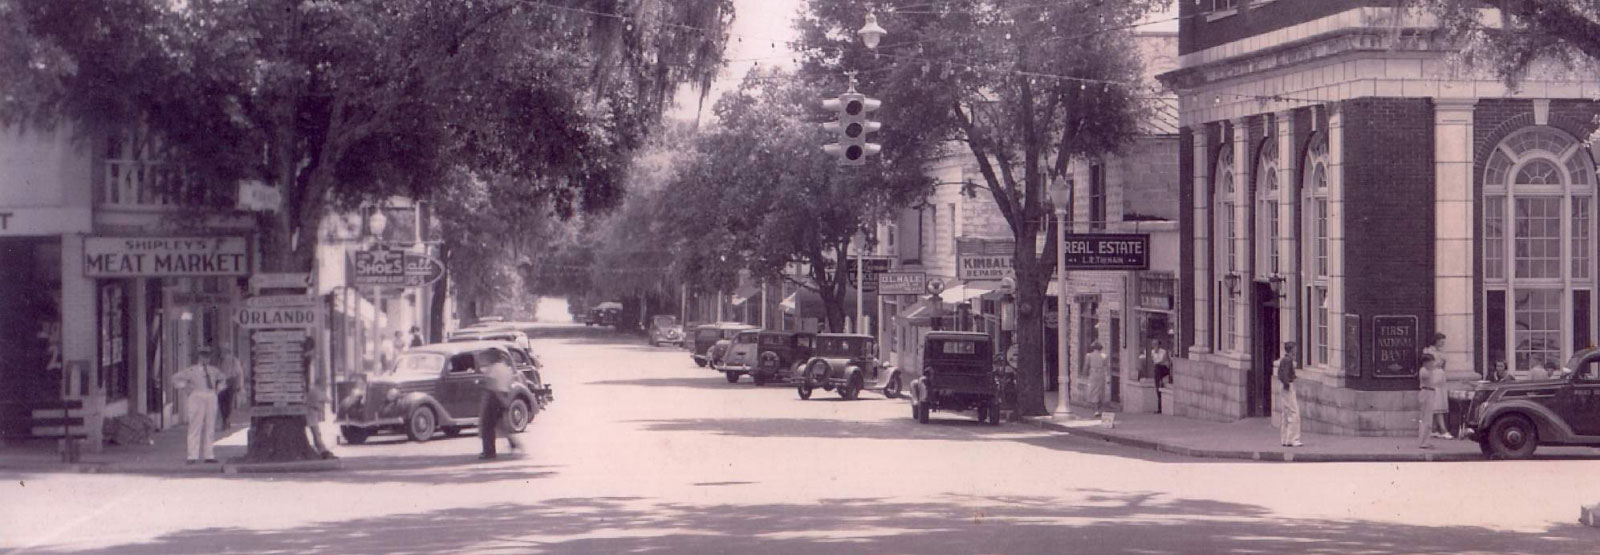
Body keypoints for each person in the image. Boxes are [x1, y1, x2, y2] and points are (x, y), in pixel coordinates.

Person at [172, 347, 226, 464]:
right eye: (203, 356)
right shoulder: (191, 371)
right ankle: (192, 456)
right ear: (199, 357)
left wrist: (218, 389)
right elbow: (175, 378)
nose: (205, 358)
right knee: (195, 425)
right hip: (197, 395)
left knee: (210, 425)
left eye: (207, 356)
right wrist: (186, 388)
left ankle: (209, 455)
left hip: (210, 395)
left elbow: (222, 379)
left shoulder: (214, 370)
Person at [478, 348, 522, 459]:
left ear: (493, 357)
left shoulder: (493, 369)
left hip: (493, 397)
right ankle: (513, 443)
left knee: (487, 426)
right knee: (501, 424)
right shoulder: (507, 369)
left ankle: (489, 451)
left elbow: (492, 385)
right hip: (504, 395)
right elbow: (510, 384)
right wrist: (505, 400)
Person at [1277, 342, 1303, 447]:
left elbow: (1280, 374)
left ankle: (1285, 439)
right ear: (1291, 349)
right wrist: (1288, 383)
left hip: (1284, 386)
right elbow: (1284, 375)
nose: (1296, 350)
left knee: (1286, 412)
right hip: (1288, 387)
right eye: (1295, 348)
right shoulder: (1288, 361)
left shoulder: (1284, 360)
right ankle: (1293, 438)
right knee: (1294, 412)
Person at [305, 373, 335, 459]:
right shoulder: (317, 391)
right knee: (316, 433)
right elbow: (328, 400)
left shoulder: (314, 390)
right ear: (321, 383)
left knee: (316, 433)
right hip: (312, 414)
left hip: (312, 414)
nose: (326, 384)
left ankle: (320, 450)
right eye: (325, 382)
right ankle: (323, 451)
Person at [216, 343, 244, 430]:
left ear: (228, 352)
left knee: (228, 403)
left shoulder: (234, 360)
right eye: (221, 351)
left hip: (230, 382)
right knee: (221, 402)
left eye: (224, 351)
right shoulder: (219, 361)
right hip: (221, 383)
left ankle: (226, 420)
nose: (222, 353)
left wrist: (239, 385)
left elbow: (239, 373)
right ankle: (225, 420)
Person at [1418, 353, 1443, 449]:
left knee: (1428, 419)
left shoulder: (1429, 370)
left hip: (1430, 392)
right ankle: (1423, 442)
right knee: (1426, 419)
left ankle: (1426, 441)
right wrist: (1435, 367)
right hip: (1426, 393)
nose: (1432, 364)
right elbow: (1428, 376)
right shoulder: (1423, 370)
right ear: (1425, 362)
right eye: (1430, 362)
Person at [1085, 342, 1110, 418]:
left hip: (1093, 373)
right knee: (1101, 391)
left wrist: (1084, 374)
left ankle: (1096, 410)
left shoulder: (1089, 356)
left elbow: (1086, 366)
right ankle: (1100, 409)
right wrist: (1108, 377)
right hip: (1101, 374)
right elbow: (1107, 367)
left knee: (1093, 391)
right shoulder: (1104, 356)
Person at [1148, 339, 1172, 414]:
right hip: (1158, 370)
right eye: (1153, 345)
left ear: (1159, 345)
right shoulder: (1152, 352)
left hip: (1164, 369)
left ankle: (1158, 382)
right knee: (1158, 387)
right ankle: (1159, 407)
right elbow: (1153, 361)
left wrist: (1157, 363)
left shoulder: (1163, 352)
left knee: (1157, 367)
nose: (1155, 346)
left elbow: (1162, 361)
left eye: (1156, 344)